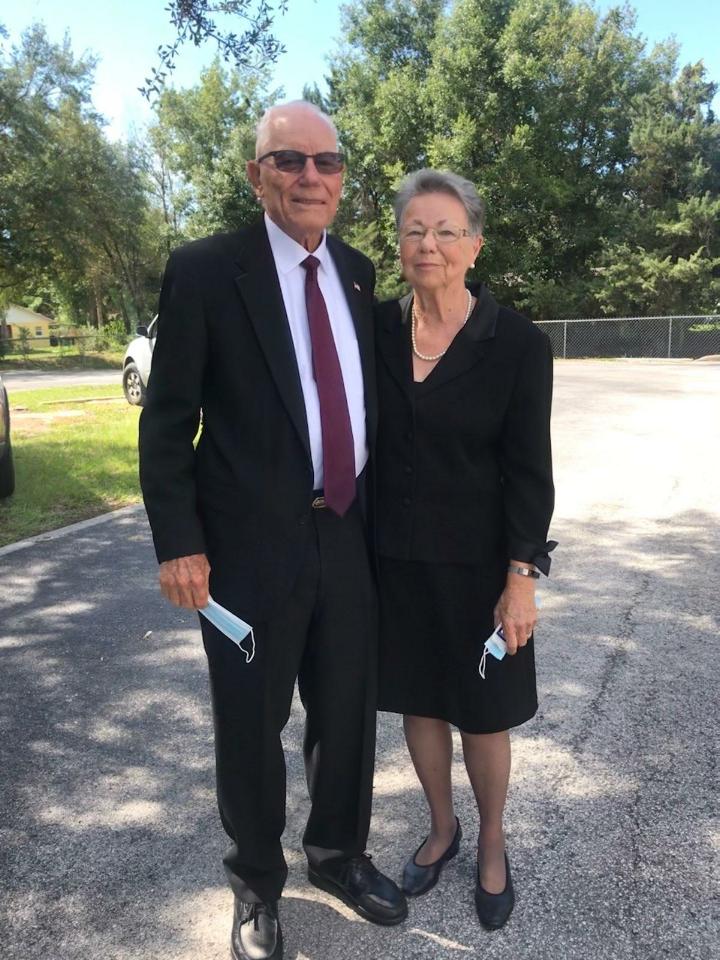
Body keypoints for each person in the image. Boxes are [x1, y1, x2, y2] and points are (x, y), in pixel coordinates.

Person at [139, 101, 407, 960]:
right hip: (247, 551)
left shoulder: (359, 273)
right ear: (257, 176)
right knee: (250, 724)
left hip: (347, 533)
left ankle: (336, 855)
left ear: (341, 180)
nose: (310, 178)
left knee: (347, 712)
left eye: (326, 163)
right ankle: (256, 885)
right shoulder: (208, 271)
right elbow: (167, 417)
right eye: (289, 162)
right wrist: (178, 540)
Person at [374, 169, 555, 930]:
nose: (431, 245)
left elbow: (530, 471)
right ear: (400, 243)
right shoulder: (373, 329)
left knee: (482, 713)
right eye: (416, 230)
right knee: (420, 702)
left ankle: (490, 842)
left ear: (474, 246)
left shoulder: (515, 343)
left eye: (447, 231)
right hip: (394, 560)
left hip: (482, 566)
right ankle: (441, 829)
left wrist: (521, 577)